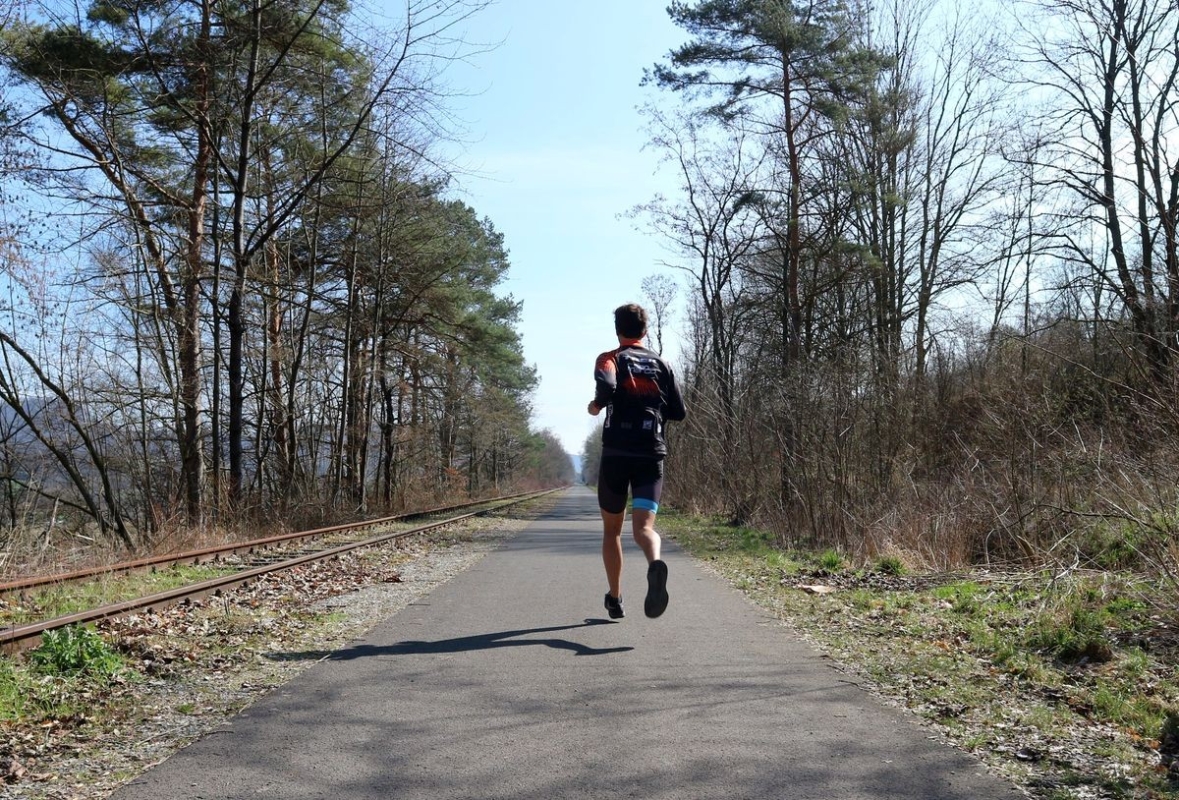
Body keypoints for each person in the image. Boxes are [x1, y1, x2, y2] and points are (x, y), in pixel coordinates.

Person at [587, 303, 686, 619]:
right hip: (650, 452)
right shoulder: (662, 364)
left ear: (618, 330)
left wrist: (597, 405)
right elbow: (679, 412)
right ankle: (655, 562)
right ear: (645, 331)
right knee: (644, 528)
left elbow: (607, 384)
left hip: (617, 453)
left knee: (612, 531)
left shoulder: (610, 358)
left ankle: (615, 598)